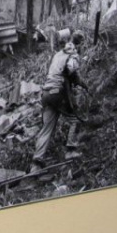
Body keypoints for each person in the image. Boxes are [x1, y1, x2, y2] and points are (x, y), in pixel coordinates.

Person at [31, 30, 88, 172]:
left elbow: (59, 71)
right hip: (58, 93)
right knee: (75, 119)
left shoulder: (58, 54)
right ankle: (70, 150)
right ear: (79, 44)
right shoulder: (73, 53)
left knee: (46, 129)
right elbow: (70, 70)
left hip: (46, 93)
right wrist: (81, 83)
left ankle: (36, 164)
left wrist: (80, 82)